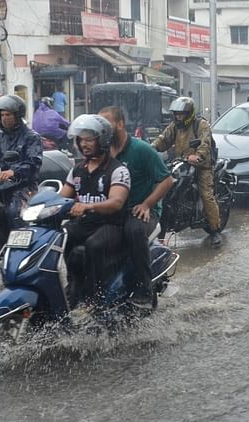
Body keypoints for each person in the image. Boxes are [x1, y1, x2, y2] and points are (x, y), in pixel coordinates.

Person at [99, 106, 173, 309]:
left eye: (106, 123)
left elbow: (167, 180)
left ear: (120, 124)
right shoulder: (103, 153)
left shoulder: (141, 150)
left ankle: (144, 289)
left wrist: (147, 204)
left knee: (134, 231)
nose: (101, 128)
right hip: (113, 211)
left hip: (140, 212)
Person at [59, 114, 130, 308]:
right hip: (85, 223)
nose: (84, 144)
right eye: (80, 139)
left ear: (103, 140)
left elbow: (116, 202)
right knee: (62, 237)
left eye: (89, 139)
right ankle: (73, 286)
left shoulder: (118, 170)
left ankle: (95, 297)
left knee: (94, 245)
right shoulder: (77, 170)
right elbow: (62, 196)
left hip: (111, 224)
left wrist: (88, 206)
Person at [152, 97, 221, 248]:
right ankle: (160, 234)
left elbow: (205, 142)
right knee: (165, 190)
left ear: (189, 113)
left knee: (206, 195)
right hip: (181, 163)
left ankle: (215, 231)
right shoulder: (175, 126)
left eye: (181, 114)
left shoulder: (200, 124)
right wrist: (149, 149)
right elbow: (163, 139)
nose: (178, 117)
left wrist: (199, 156)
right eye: (176, 114)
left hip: (202, 165)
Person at [0, 94, 43, 228]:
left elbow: (34, 162)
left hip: (22, 187)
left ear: (18, 115)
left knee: (14, 212)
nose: (4, 118)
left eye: (8, 115)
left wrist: (13, 171)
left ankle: (19, 243)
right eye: (2, 115)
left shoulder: (31, 137)